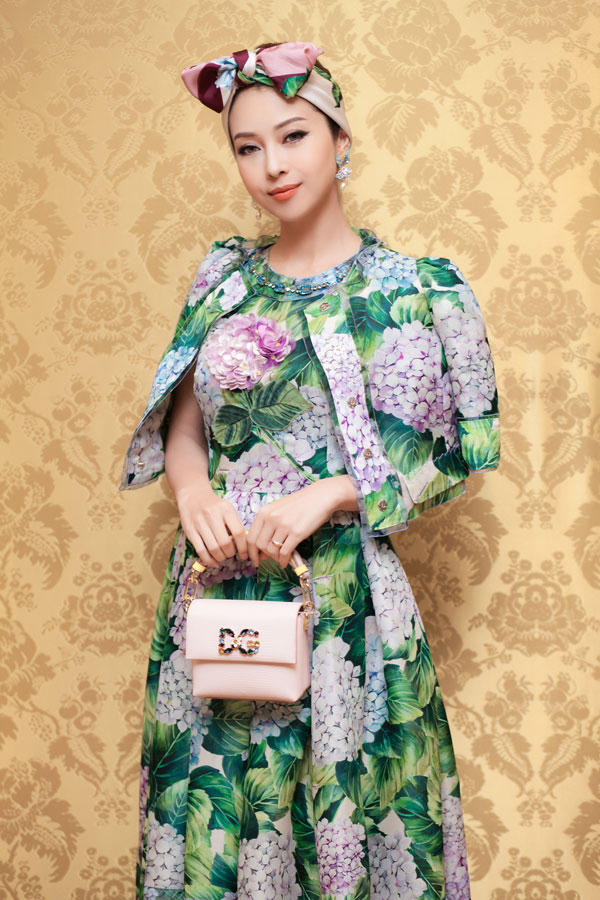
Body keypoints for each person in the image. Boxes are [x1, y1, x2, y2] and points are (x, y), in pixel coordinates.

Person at [120, 40, 501, 900]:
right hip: (219, 592)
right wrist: (192, 491)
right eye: (248, 147)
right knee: (220, 821)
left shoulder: (415, 289)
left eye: (293, 136)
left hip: (347, 605)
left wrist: (331, 494)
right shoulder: (224, 281)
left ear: (341, 140)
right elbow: (185, 428)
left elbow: (452, 455)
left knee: (346, 816)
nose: (273, 166)